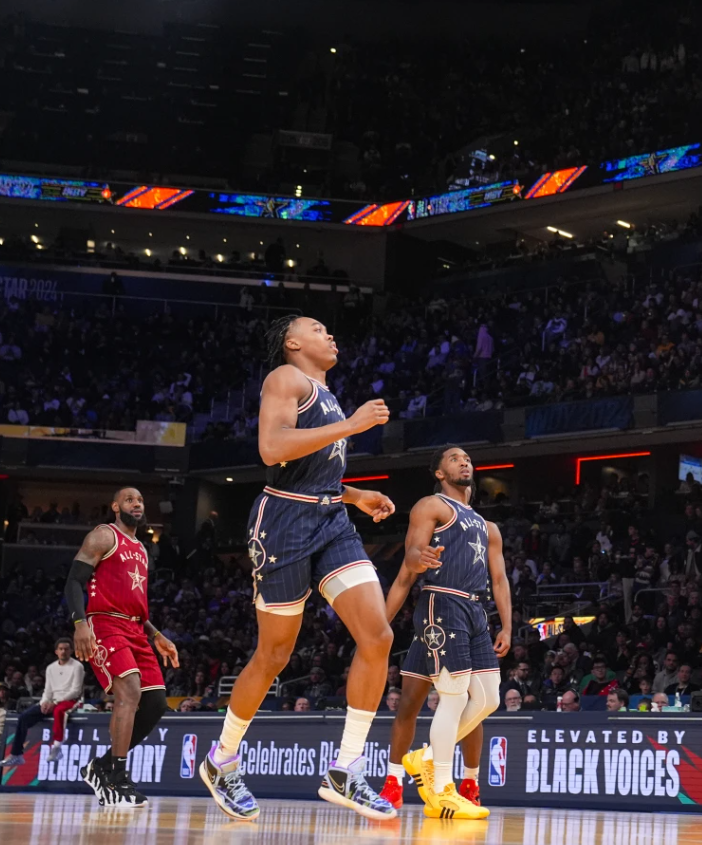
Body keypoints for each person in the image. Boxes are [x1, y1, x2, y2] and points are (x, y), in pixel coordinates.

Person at [199, 315, 396, 822]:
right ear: (292, 343)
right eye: (318, 328)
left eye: (331, 329)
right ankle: (222, 760)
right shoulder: (285, 379)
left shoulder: (328, 396)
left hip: (331, 517)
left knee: (377, 636)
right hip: (283, 520)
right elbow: (272, 448)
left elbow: (315, 471)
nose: (331, 334)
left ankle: (346, 768)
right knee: (274, 654)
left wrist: (354, 495)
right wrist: (353, 425)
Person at [378, 447, 509, 821]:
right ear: (438, 472)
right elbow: (409, 564)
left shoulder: (487, 527)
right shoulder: (431, 506)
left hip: (473, 610)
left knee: (487, 699)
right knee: (432, 700)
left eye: (467, 457)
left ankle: (430, 759)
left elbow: (499, 580)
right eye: (454, 458)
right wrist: (380, 629)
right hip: (440, 604)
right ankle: (435, 787)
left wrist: (508, 625)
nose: (464, 461)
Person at [63, 487, 178, 806]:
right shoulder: (103, 535)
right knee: (129, 692)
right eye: (129, 499)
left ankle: (102, 768)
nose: (137, 504)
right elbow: (74, 581)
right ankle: (117, 777)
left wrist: (157, 635)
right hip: (105, 623)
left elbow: (135, 601)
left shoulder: (141, 548)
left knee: (155, 704)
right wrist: (80, 623)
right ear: (115, 506)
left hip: (137, 629)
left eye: (140, 500)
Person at [0, 637, 84, 766]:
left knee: (59, 711)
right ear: (56, 651)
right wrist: (44, 702)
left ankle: (57, 747)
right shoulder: (50, 668)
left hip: (71, 700)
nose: (63, 651)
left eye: (66, 649)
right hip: (51, 701)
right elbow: (48, 690)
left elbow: (76, 691)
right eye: (61, 649)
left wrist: (54, 703)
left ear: (71, 651)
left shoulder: (77, 666)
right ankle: (17, 754)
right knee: (24, 717)